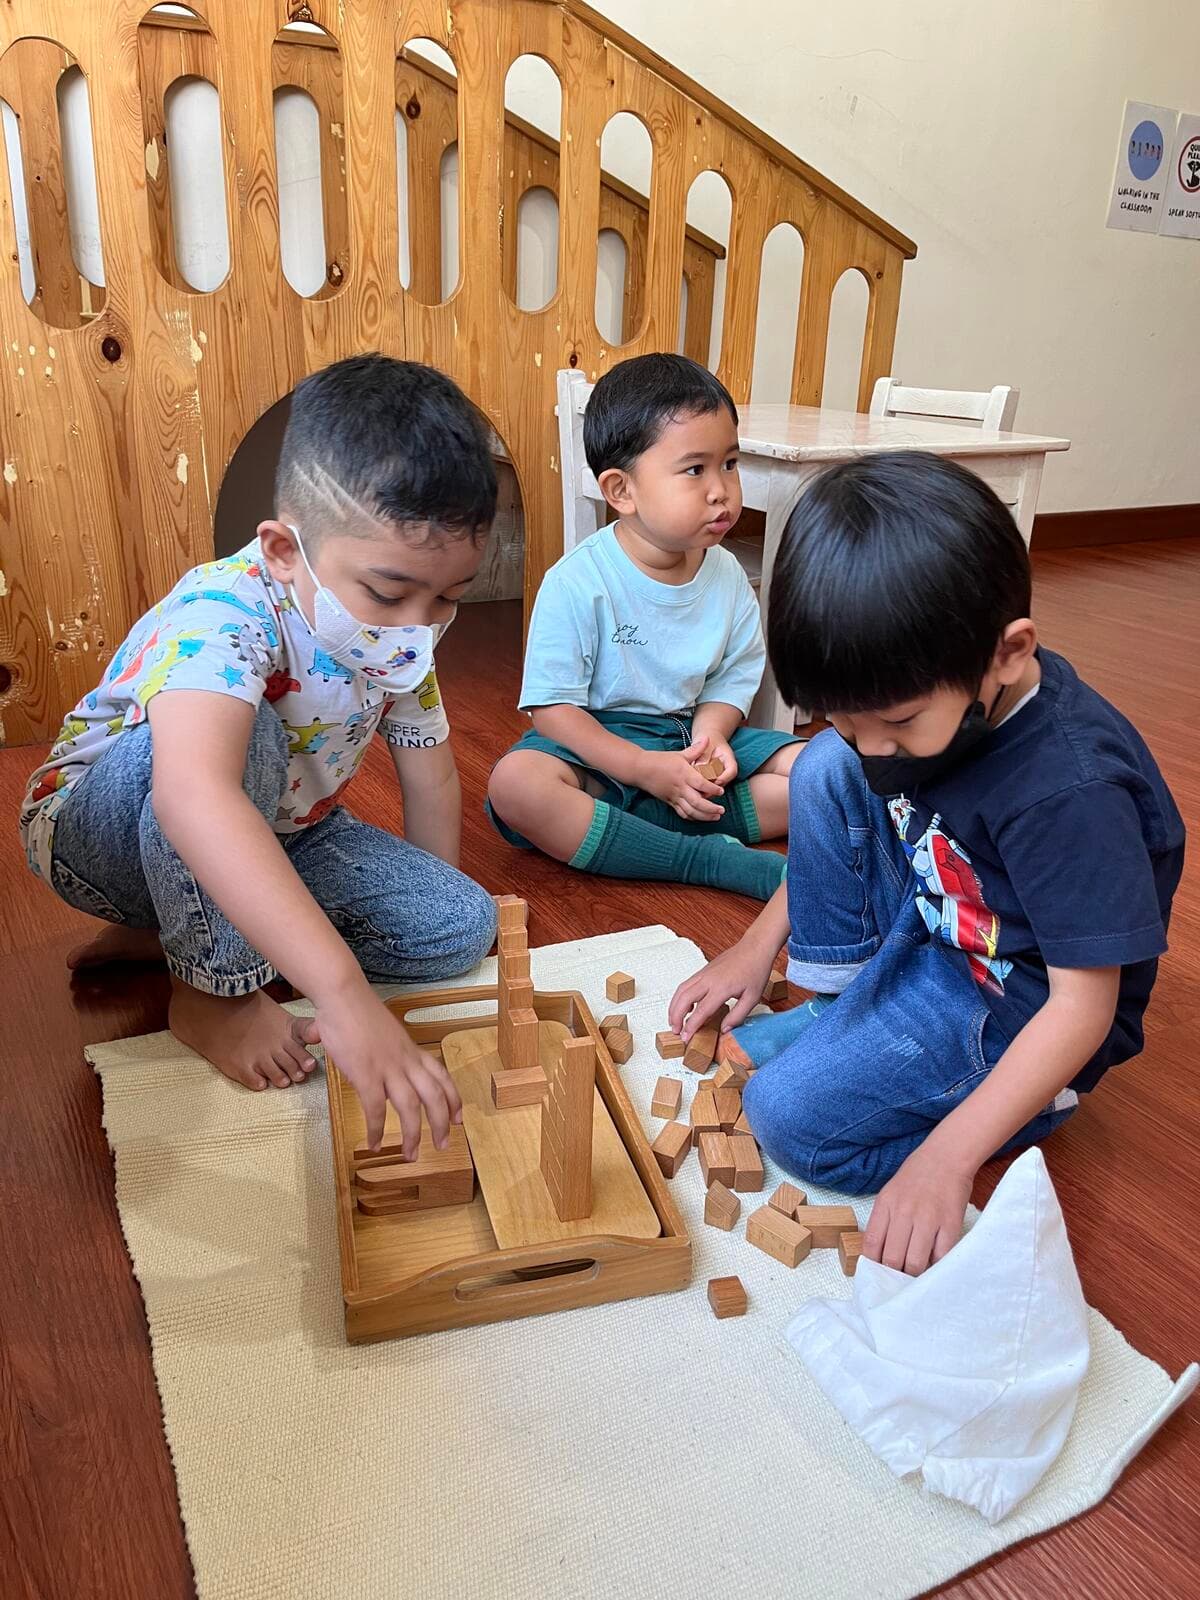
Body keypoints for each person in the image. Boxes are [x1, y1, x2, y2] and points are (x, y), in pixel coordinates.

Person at [669, 451, 1185, 1274]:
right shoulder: (913, 713)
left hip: (1017, 1005)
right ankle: (847, 1015)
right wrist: (756, 946)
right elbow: (864, 754)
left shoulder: (1068, 793)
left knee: (786, 1118)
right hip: (942, 922)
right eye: (847, 716)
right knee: (827, 768)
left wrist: (946, 1158)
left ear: (1009, 654)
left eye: (900, 722)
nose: (879, 748)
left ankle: (998, 1103)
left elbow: (1086, 1009)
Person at [20, 354, 501, 1155]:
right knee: (250, 741)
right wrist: (342, 994)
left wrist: (428, 889)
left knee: (458, 923)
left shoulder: (404, 641)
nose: (419, 624)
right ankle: (210, 989)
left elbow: (433, 773)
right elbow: (192, 796)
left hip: (278, 827)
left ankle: (173, 927)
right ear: (283, 550)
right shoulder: (224, 609)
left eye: (448, 595)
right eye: (389, 593)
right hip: (96, 825)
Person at [487, 352, 801, 900]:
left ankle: (661, 822)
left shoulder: (725, 573)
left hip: (686, 738)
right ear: (621, 492)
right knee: (518, 787)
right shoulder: (578, 582)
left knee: (823, 766)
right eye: (694, 469)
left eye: (730, 463)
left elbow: (733, 677)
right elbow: (553, 711)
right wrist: (639, 767)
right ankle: (701, 858)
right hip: (603, 748)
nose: (721, 489)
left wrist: (712, 736)